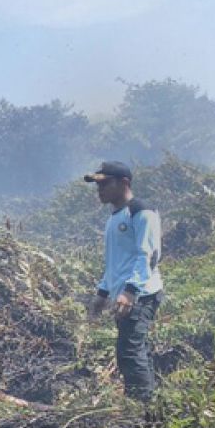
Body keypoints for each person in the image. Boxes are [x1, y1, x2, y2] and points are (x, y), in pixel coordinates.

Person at [84, 161, 163, 400]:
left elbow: (146, 255)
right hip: (127, 297)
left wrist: (130, 291)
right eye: (98, 185)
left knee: (129, 351)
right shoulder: (113, 218)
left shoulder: (140, 211)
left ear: (124, 183)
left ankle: (141, 410)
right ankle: (148, 406)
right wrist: (102, 294)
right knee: (134, 350)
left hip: (141, 295)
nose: (100, 189)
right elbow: (115, 264)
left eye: (105, 183)